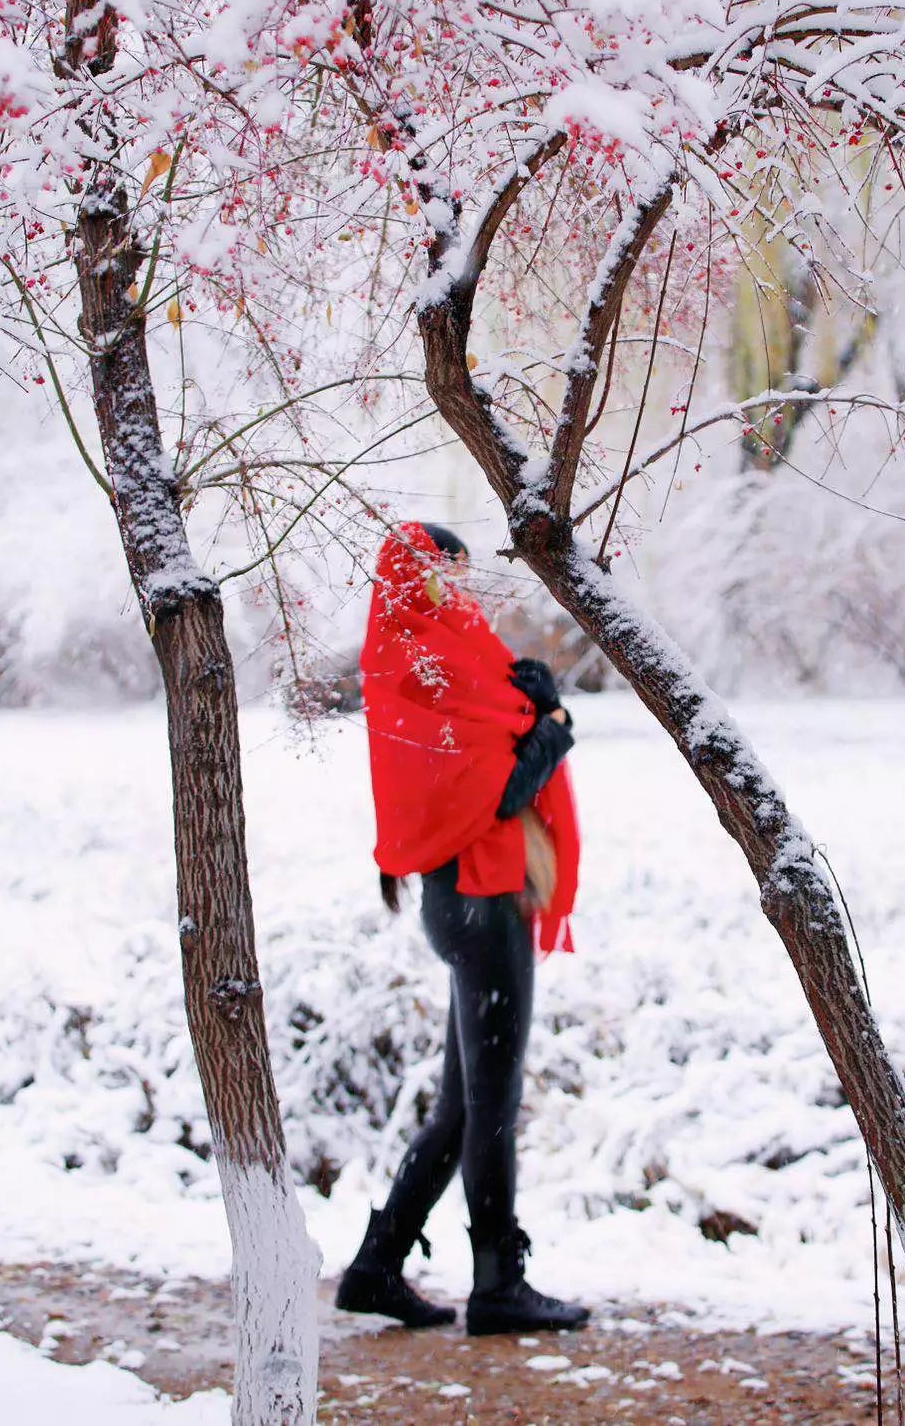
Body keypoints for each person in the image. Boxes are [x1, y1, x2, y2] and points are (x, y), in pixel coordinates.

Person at [336, 521, 589, 1337]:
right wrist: (550, 729)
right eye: (450, 574)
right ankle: (497, 1286)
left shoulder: (426, 656)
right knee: (494, 1102)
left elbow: (493, 731)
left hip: (465, 900)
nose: (460, 590)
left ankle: (376, 1269)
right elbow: (493, 788)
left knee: (461, 1105)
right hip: (480, 899)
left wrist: (531, 702)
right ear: (420, 572)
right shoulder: (422, 666)